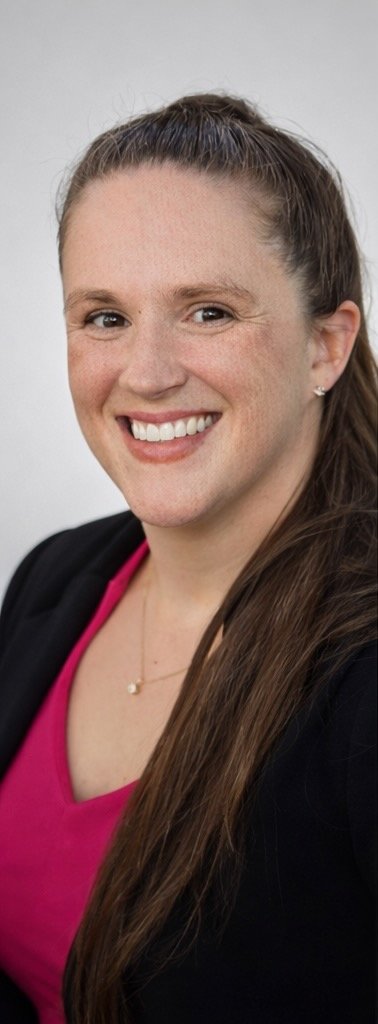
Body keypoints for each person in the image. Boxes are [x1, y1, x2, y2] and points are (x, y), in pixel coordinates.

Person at [0, 93, 376, 1024]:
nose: (148, 372)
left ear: (327, 346)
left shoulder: (363, 678)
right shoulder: (52, 580)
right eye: (105, 317)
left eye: (208, 311)